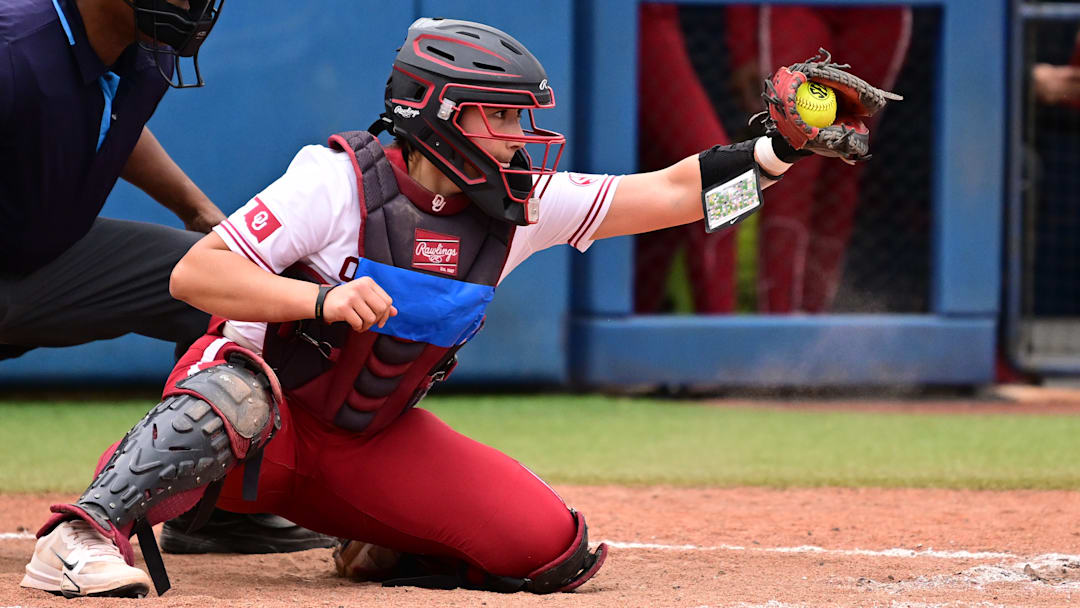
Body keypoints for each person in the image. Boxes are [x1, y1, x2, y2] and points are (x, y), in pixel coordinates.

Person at [18, 17, 885, 598]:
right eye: (502, 117)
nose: (520, 137)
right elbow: (193, 279)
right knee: (234, 390)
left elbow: (663, 195)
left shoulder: (521, 205)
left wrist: (773, 157)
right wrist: (317, 297)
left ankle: (378, 539)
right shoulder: (337, 180)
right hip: (256, 426)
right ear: (438, 112)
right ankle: (86, 531)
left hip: (365, 443)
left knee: (549, 551)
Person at [0, 0, 332, 559]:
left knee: (233, 290)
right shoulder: (15, 49)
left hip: (48, 256)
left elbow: (113, 120)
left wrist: (199, 211)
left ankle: (220, 512)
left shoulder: (142, 46)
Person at [726, 5, 911, 312]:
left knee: (844, 160)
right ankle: (779, 323)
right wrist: (744, 44)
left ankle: (814, 323)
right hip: (799, 9)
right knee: (792, 158)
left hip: (878, 15)